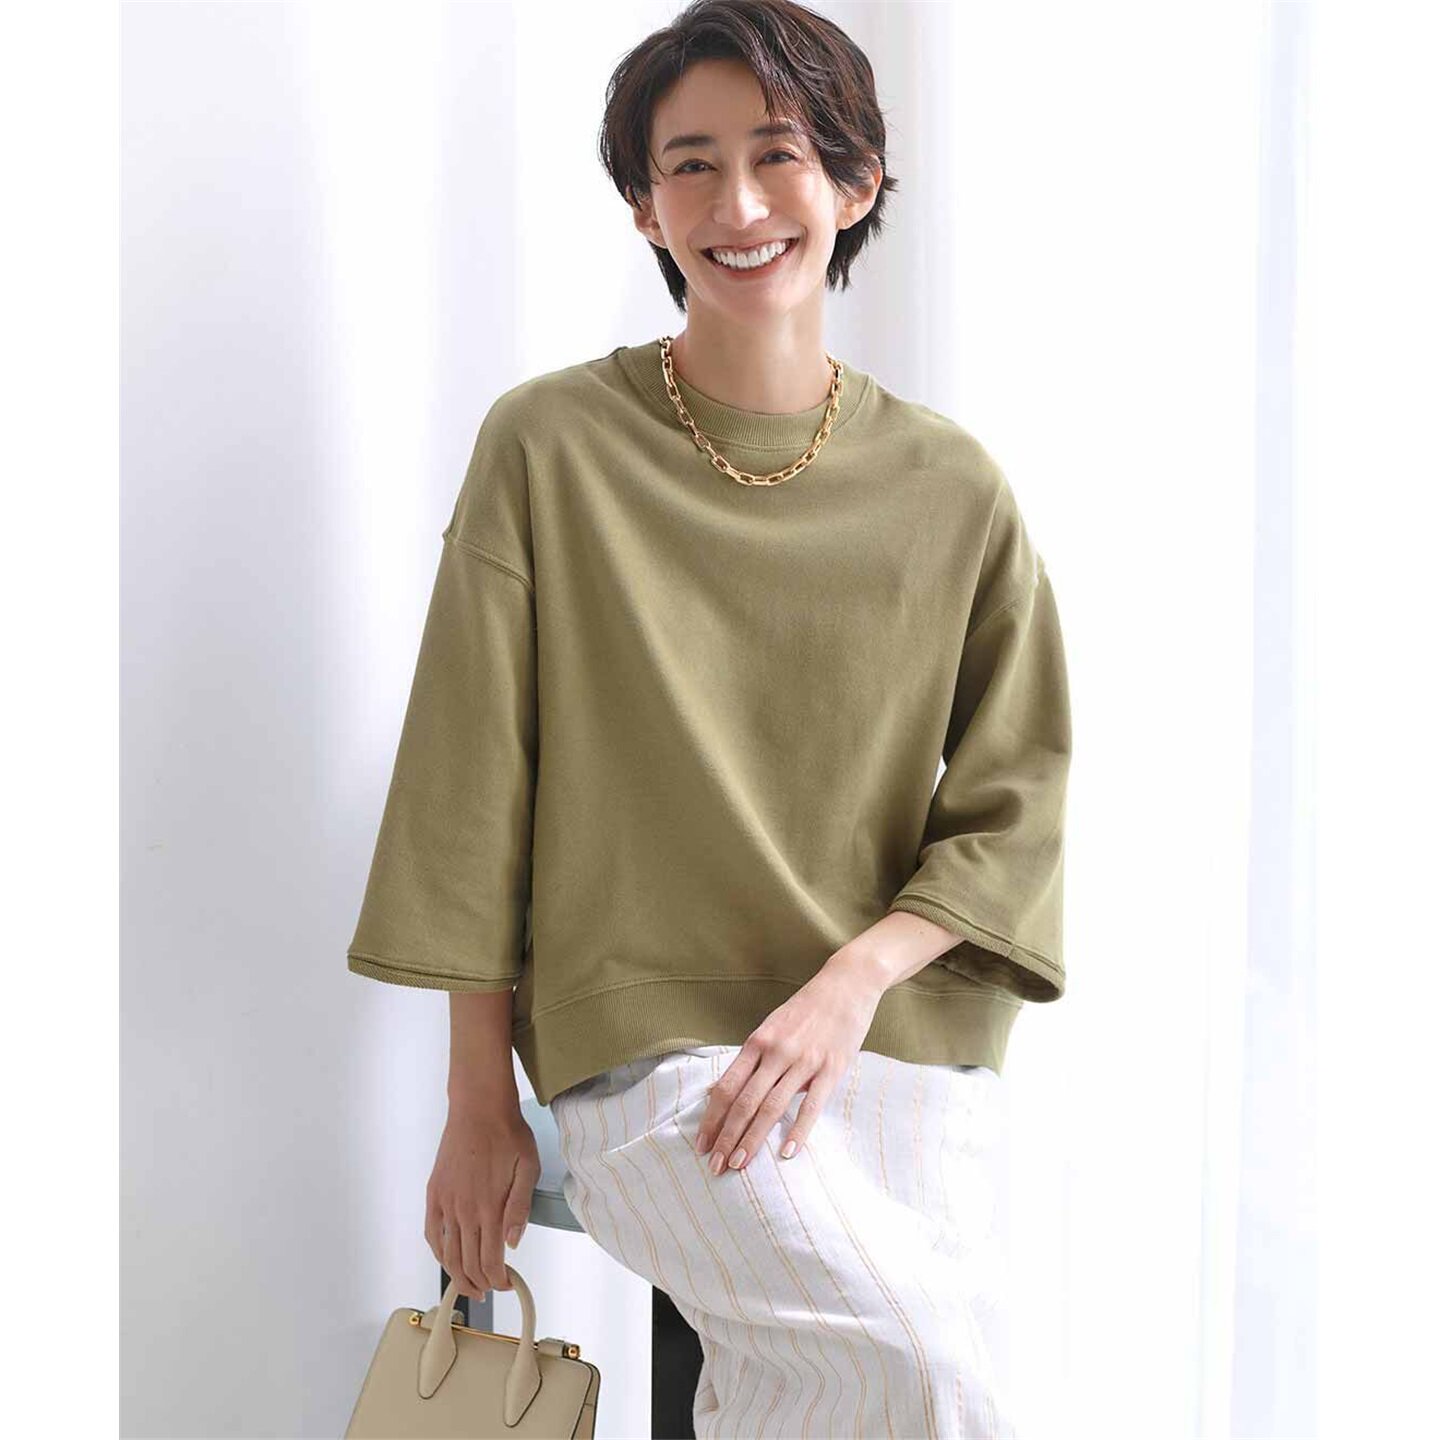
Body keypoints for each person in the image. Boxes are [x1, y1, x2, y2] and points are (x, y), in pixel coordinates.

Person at [345, 2, 1071, 1435]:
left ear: (854, 182)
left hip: (896, 1049)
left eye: (778, 154)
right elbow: (470, 782)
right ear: (644, 206)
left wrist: (850, 983)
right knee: (918, 1374)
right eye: (690, 166)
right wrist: (478, 1101)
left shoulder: (952, 486)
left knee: (886, 1390)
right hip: (652, 1044)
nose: (737, 206)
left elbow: (1017, 794)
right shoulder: (551, 445)